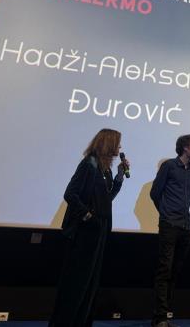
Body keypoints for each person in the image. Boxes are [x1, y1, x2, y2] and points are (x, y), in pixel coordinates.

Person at [50, 128, 129, 327]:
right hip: (85, 233)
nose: (120, 147)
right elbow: (70, 194)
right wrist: (87, 216)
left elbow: (106, 199)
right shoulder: (89, 164)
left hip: (99, 232)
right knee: (76, 284)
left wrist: (120, 176)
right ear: (108, 143)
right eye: (118, 142)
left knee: (90, 285)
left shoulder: (105, 169)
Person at [150, 134, 190, 327]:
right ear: (185, 148)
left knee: (174, 271)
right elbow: (155, 193)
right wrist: (166, 213)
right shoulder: (169, 166)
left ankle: (165, 315)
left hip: (185, 227)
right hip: (169, 225)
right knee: (164, 270)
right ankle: (160, 318)